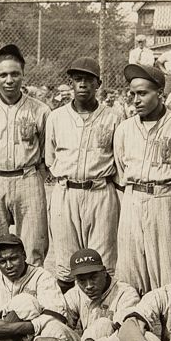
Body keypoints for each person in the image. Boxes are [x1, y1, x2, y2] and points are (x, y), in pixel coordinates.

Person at [113, 62, 171, 295]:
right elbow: (120, 169)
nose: (136, 100)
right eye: (132, 94)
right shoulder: (124, 129)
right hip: (133, 198)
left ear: (160, 93)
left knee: (167, 269)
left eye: (142, 93)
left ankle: (170, 324)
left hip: (165, 199)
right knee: (130, 270)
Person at [45, 56, 123, 293]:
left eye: (89, 80)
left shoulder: (113, 117)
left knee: (102, 259)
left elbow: (119, 158)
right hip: (66, 190)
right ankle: (70, 314)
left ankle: (101, 316)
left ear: (98, 83)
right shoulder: (56, 117)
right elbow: (50, 158)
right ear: (71, 83)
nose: (82, 85)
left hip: (100, 190)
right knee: (66, 258)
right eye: (77, 79)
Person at [0, 44, 51, 277]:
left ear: (23, 74)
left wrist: (34, 175)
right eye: (3, 75)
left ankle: (33, 299)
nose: (9, 80)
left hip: (28, 178)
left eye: (15, 74)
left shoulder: (40, 110)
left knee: (33, 246)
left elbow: (47, 154)